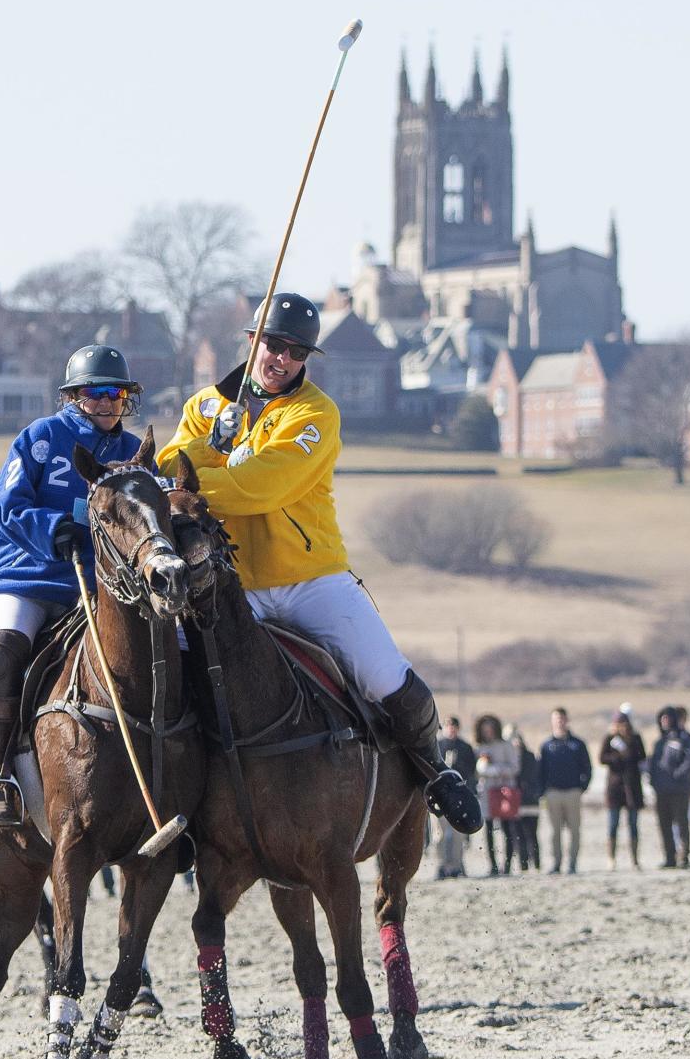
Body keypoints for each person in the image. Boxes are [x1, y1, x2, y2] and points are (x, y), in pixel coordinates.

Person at [157, 292, 480, 836]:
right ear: (253, 341)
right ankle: (176, 808)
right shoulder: (204, 406)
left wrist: (203, 470)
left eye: (296, 351)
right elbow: (167, 470)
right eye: (274, 345)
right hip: (234, 588)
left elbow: (260, 486)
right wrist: (212, 444)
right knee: (174, 681)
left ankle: (434, 772)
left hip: (311, 581)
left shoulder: (316, 414)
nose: (282, 358)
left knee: (385, 675)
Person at [0, 345, 147, 826]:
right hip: (23, 577)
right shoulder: (42, 437)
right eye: (97, 392)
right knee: (2, 653)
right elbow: (2, 507)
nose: (109, 401)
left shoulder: (135, 454)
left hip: (95, 588)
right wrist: (53, 528)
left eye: (117, 392)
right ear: (73, 396)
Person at [539, 707, 592, 875]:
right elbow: (541, 770)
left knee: (574, 830)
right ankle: (556, 863)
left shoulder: (577, 744)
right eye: (556, 719)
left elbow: (587, 768)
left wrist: (582, 787)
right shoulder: (547, 746)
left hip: (573, 792)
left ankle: (573, 863)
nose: (559, 722)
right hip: (553, 793)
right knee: (555, 832)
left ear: (567, 720)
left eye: (562, 718)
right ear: (552, 721)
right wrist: (543, 791)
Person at [648, 705, 690, 868]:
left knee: (682, 823)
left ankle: (684, 856)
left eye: (667, 718)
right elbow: (654, 763)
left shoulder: (685, 738)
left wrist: (678, 775)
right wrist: (653, 781)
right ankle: (670, 856)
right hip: (661, 790)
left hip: (679, 789)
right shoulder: (659, 742)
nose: (664, 721)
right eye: (662, 718)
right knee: (664, 824)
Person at [473, 714, 520, 876]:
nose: (488, 732)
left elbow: (515, 767)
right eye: (485, 730)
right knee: (488, 829)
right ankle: (492, 864)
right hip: (487, 792)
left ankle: (507, 864)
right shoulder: (479, 748)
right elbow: (476, 770)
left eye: (490, 729)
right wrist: (484, 770)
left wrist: (496, 770)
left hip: (505, 791)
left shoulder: (506, 746)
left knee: (508, 828)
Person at [598, 710, 646, 869]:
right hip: (615, 788)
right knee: (613, 824)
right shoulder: (610, 739)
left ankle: (635, 859)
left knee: (633, 824)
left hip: (632, 788)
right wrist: (618, 755)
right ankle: (611, 859)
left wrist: (628, 745)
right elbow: (602, 758)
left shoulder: (635, 738)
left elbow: (641, 757)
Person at [436, 716, 477, 877]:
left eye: (453, 726)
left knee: (458, 835)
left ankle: (457, 865)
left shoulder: (465, 747)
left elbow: (471, 772)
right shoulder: (437, 746)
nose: (450, 729)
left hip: (459, 797)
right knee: (440, 835)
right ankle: (442, 866)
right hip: (440, 797)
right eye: (448, 726)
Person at [503, 724, 541, 871]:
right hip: (514, 800)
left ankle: (536, 864)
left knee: (532, 834)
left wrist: (535, 792)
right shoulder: (509, 758)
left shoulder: (529, 756)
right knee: (518, 835)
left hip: (530, 800)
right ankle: (523, 864)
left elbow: (536, 776)